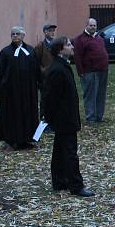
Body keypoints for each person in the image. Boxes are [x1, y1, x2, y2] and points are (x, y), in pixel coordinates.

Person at [43, 36, 95, 197]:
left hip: (64, 117)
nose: (72, 47)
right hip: (64, 118)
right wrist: (50, 117)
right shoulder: (57, 69)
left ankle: (59, 181)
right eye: (68, 44)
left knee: (59, 150)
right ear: (60, 50)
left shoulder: (61, 66)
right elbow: (51, 97)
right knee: (70, 152)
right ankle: (76, 185)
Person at [0, 26, 40, 150]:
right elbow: (0, 71)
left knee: (27, 113)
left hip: (28, 90)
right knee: (11, 114)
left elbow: (36, 70)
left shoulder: (30, 51)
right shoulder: (5, 52)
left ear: (23, 36)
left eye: (17, 34)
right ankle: (10, 140)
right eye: (13, 34)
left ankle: (26, 139)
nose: (15, 36)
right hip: (11, 91)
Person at [74, 18, 109, 124]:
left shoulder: (99, 38)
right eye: (91, 25)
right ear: (86, 26)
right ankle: (91, 117)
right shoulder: (80, 39)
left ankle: (99, 116)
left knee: (100, 94)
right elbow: (77, 57)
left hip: (102, 70)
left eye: (94, 25)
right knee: (90, 95)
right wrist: (80, 72)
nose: (93, 27)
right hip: (89, 71)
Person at [34, 23, 57, 121]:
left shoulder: (56, 44)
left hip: (55, 76)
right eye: (50, 31)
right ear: (45, 32)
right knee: (44, 100)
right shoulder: (41, 45)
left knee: (55, 99)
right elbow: (36, 61)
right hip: (44, 78)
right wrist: (43, 71)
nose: (52, 32)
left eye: (53, 31)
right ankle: (44, 121)